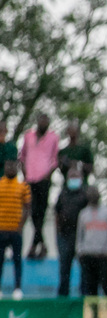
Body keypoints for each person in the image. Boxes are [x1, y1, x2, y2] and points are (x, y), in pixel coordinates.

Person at [76, 186, 107, 318]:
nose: (93, 196)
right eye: (91, 194)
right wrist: (80, 251)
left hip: (102, 255)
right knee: (91, 288)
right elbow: (79, 235)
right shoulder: (83, 214)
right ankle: (95, 317)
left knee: (106, 286)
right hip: (88, 255)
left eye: (95, 194)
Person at [18, 113, 58, 259]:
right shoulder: (28, 136)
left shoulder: (53, 137)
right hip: (30, 179)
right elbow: (22, 156)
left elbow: (55, 159)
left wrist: (49, 175)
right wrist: (24, 173)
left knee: (40, 211)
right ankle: (41, 244)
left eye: (46, 121)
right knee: (33, 211)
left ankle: (36, 245)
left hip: (44, 179)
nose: (44, 123)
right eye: (42, 120)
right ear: (38, 121)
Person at [53, 164, 88, 297]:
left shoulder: (85, 194)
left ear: (81, 178)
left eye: (76, 176)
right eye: (71, 177)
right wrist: (58, 233)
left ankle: (83, 296)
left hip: (81, 236)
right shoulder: (62, 193)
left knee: (84, 268)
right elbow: (57, 212)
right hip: (65, 235)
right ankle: (63, 296)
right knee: (64, 268)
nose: (74, 179)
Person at [0, 160, 30, 298]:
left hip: (15, 231)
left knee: (17, 260)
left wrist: (20, 226)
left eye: (13, 166)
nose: (10, 168)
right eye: (8, 165)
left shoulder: (23, 186)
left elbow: (27, 208)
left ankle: (17, 288)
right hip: (1, 230)